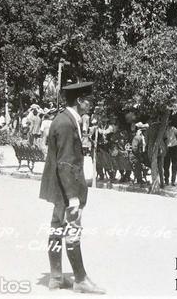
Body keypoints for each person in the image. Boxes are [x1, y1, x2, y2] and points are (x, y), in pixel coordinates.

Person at [38, 81, 105, 294]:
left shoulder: (62, 119)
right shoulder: (66, 123)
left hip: (58, 188)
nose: (91, 104)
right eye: (89, 101)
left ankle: (56, 277)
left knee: (56, 228)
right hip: (67, 190)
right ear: (79, 100)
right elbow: (65, 163)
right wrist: (73, 197)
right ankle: (80, 279)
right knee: (72, 230)